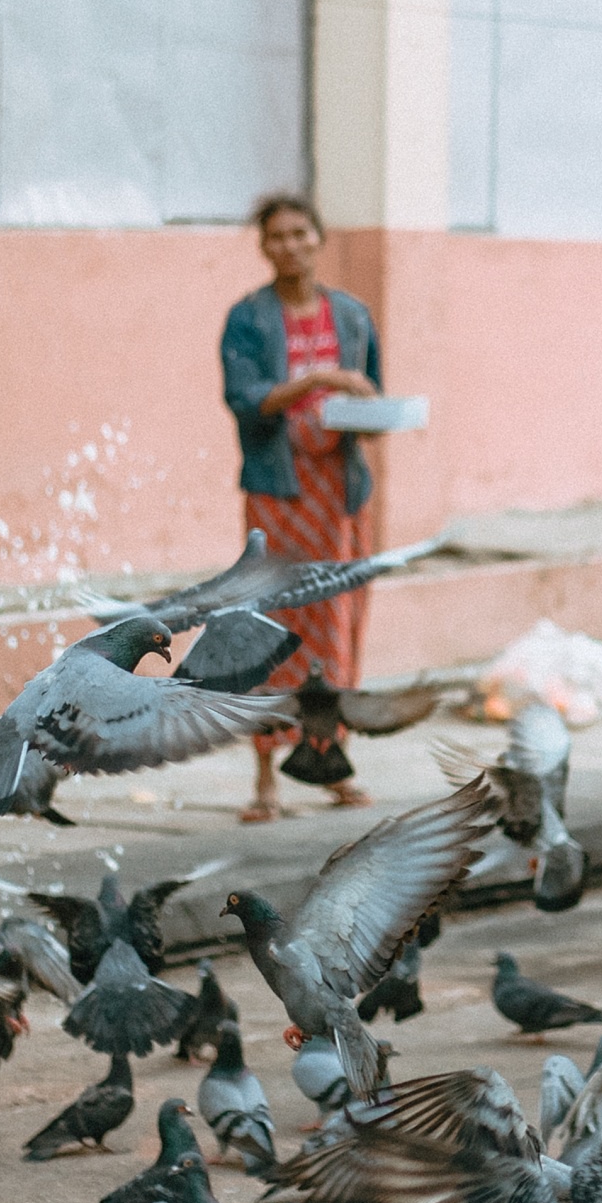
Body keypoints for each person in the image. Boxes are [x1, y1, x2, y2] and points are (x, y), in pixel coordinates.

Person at [219, 193, 383, 822]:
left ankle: (334, 766)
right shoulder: (248, 320)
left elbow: (370, 396)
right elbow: (245, 398)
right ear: (264, 247)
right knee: (269, 624)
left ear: (319, 238)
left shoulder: (351, 317)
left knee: (337, 624)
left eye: (299, 234)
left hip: (338, 491)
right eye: (276, 237)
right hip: (279, 491)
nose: (289, 246)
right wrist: (318, 382)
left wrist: (368, 411)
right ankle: (265, 778)